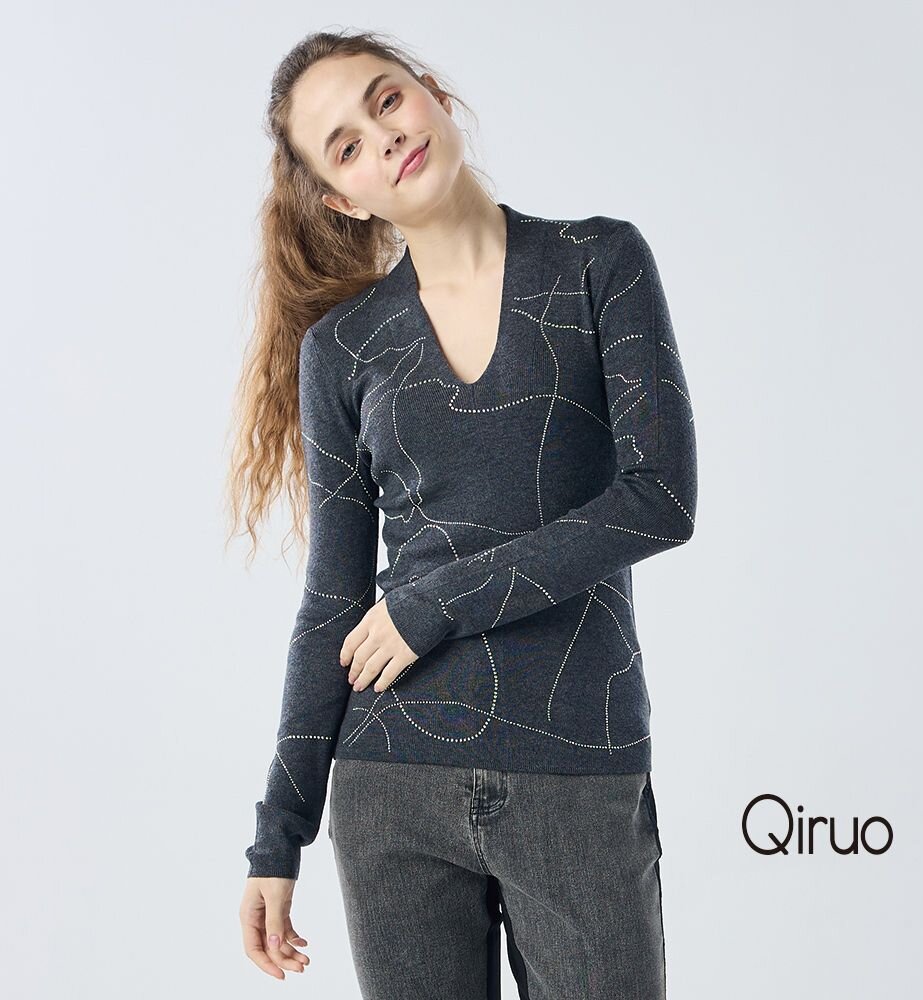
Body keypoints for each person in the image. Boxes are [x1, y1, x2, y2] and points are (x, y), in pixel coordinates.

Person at [228, 28, 697, 1000]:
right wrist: (278, 835)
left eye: (385, 100)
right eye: (346, 147)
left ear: (432, 95)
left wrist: (433, 605)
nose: (383, 137)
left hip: (576, 765)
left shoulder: (597, 262)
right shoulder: (343, 350)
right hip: (391, 782)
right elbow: (333, 602)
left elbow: (658, 499)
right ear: (344, 200)